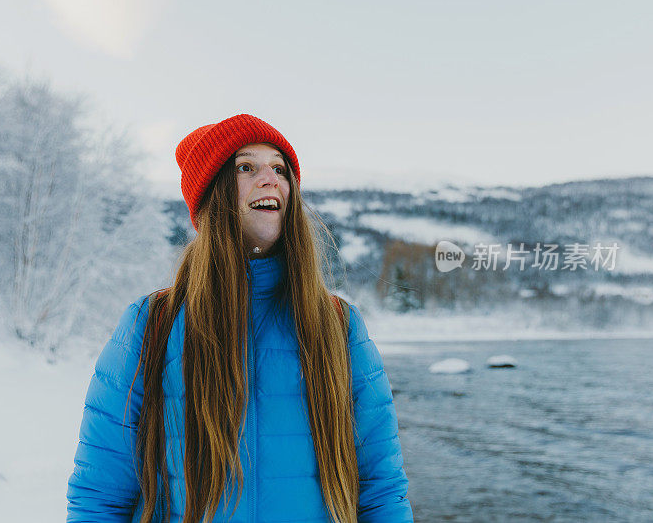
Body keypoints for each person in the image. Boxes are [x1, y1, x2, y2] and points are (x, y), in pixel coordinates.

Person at [66, 113, 414, 522]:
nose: (270, 179)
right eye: (246, 167)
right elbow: (100, 496)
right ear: (212, 196)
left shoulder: (338, 326)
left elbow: (382, 491)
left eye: (280, 169)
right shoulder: (152, 325)